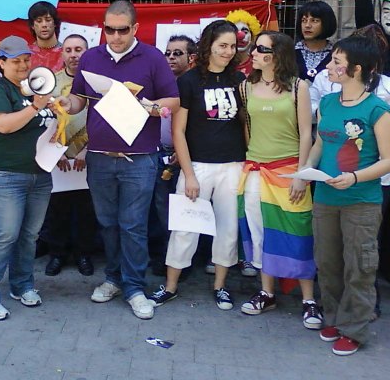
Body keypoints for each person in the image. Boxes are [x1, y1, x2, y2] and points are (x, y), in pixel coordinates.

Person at [58, 0, 179, 320]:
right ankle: (113, 278)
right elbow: (79, 101)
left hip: (139, 159)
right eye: (108, 29)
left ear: (135, 28)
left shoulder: (153, 57)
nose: (114, 36)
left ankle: (135, 287)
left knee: (133, 225)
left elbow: (173, 100)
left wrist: (149, 106)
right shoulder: (91, 57)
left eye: (121, 30)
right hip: (98, 157)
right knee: (108, 223)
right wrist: (63, 102)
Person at [149, 20, 245, 311]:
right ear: (208, 47)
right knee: (184, 229)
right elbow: (178, 131)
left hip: (233, 166)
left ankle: (220, 286)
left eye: (232, 46)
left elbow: (244, 124)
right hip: (197, 167)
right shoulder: (189, 82)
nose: (228, 52)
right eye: (222, 46)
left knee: (227, 230)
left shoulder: (239, 81)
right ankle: (170, 286)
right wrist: (189, 174)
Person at [303, 35, 390, 356]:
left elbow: (387, 159)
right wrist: (305, 172)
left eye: (337, 62)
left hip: (361, 201)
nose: (329, 67)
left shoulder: (378, 109)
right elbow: (320, 143)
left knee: (359, 265)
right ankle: (335, 318)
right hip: (325, 197)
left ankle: (355, 329)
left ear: (356, 69)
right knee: (327, 262)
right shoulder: (327, 103)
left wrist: (353, 177)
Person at [236, 31, 321, 329]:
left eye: (261, 48)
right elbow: (247, 127)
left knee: (297, 232)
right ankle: (266, 291)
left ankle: (309, 299)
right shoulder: (246, 87)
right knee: (260, 232)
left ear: (278, 55)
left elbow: (307, 133)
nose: (254, 52)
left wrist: (301, 174)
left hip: (288, 171)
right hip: (256, 170)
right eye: (256, 48)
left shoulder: (299, 87)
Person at [0, 36, 55, 321]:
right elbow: (3, 125)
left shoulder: (34, 89)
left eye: (26, 60)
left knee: (29, 236)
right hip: (1, 175)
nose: (23, 65)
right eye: (16, 61)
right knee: (3, 236)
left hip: (39, 175)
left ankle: (22, 286)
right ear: (2, 63)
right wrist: (35, 107)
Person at [42, 34, 98, 277]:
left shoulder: (97, 83)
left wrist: (89, 149)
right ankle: (57, 254)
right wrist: (57, 151)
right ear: (62, 53)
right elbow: (45, 121)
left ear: (87, 52)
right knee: (58, 209)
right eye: (69, 50)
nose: (74, 54)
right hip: (59, 158)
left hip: (90, 155)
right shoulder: (51, 83)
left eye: (79, 49)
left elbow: (105, 119)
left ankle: (84, 254)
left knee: (87, 210)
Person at [148, 34, 196, 277]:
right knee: (160, 210)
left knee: (181, 212)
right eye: (167, 53)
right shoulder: (159, 83)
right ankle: (162, 258)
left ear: (191, 57)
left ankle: (181, 263)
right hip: (158, 155)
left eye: (178, 53)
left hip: (186, 156)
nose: (171, 58)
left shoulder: (192, 84)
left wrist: (183, 151)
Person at [294, 0, 337, 82]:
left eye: (314, 21)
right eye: (304, 20)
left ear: (326, 23)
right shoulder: (290, 52)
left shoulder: (337, 54)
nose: (307, 25)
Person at [27, 1, 64, 72]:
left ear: (55, 23)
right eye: (39, 21)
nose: (44, 25)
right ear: (32, 25)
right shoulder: (26, 54)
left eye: (48, 20)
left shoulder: (66, 53)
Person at [226, 9, 262, 76]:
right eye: (235, 32)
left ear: (252, 37)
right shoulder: (221, 63)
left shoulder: (259, 64)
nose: (240, 36)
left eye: (245, 32)